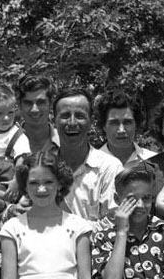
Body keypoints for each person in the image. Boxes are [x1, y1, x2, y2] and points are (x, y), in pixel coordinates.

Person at [50, 87, 122, 227]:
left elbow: (113, 225)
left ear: (91, 121)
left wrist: (64, 224)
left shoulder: (109, 168)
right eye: (65, 116)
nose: (72, 123)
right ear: (54, 121)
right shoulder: (41, 166)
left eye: (79, 116)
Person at [97, 89, 156, 168]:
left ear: (136, 124)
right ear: (104, 126)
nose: (121, 130)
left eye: (127, 122)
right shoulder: (90, 167)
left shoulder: (154, 163)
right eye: (114, 123)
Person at [14, 74, 59, 160]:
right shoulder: (5, 143)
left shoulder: (65, 143)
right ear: (19, 105)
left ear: (51, 103)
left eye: (41, 102)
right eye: (28, 103)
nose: (34, 110)